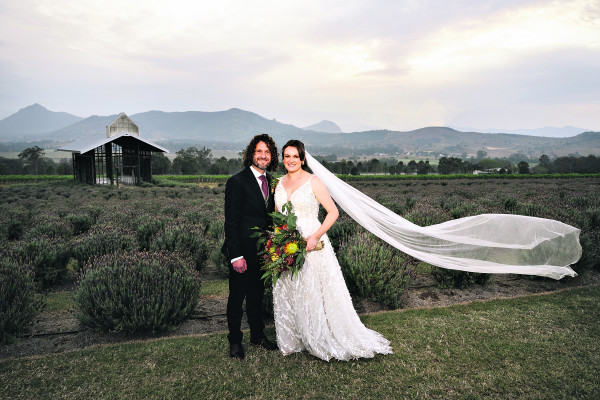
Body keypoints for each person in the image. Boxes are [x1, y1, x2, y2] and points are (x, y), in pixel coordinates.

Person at [272, 139, 393, 361]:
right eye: (287, 156)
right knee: (289, 288)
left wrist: (315, 236)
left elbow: (333, 212)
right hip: (286, 243)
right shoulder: (278, 183)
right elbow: (277, 215)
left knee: (312, 290)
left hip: (312, 243)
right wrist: (277, 240)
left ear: (303, 159)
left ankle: (318, 336)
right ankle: (292, 340)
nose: (291, 160)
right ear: (282, 158)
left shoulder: (313, 181)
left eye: (295, 156)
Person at [223, 133, 279, 359]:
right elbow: (231, 222)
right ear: (251, 154)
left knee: (257, 296)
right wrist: (236, 255)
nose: (263, 155)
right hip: (242, 253)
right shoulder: (237, 181)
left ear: (272, 156)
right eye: (259, 151)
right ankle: (235, 341)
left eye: (267, 152)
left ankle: (257, 335)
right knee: (237, 298)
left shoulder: (273, 182)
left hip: (263, 253)